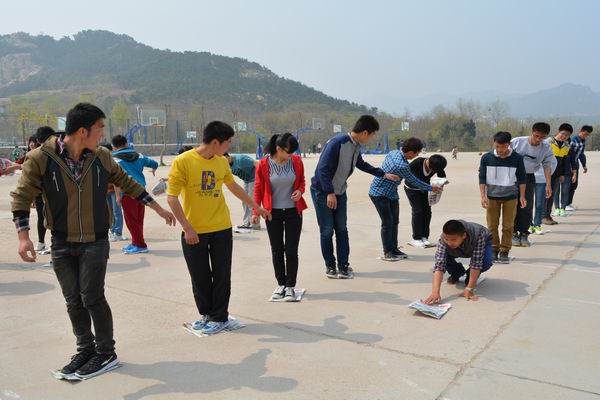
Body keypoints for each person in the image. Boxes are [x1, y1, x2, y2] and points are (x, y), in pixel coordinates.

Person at [11, 103, 175, 379]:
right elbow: (22, 196)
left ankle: (106, 352)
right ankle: (85, 350)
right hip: (62, 241)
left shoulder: (102, 156)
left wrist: (156, 207)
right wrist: (23, 237)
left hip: (95, 240)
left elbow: (128, 183)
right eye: (100, 128)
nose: (103, 134)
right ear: (82, 131)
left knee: (92, 297)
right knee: (73, 300)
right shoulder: (40, 158)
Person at [167, 121, 270, 335]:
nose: (229, 146)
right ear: (216, 142)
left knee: (222, 275)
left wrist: (256, 207)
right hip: (194, 230)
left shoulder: (221, 162)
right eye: (228, 142)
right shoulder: (183, 161)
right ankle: (207, 314)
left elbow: (233, 187)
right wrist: (187, 227)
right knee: (200, 276)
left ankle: (220, 316)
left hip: (221, 227)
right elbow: (172, 198)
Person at [310, 115, 400, 279]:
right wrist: (329, 192)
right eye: (372, 135)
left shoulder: (356, 146)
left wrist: (383, 174)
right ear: (365, 132)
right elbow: (322, 169)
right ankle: (330, 266)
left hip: (340, 191)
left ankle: (343, 266)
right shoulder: (338, 143)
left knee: (342, 229)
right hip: (323, 192)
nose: (372, 138)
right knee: (327, 230)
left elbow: (360, 164)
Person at [253, 133, 307, 301]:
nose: (291, 154)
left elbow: (302, 182)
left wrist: (300, 191)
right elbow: (258, 188)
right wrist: (256, 211)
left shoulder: (296, 161)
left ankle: (290, 286)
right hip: (272, 213)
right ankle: (281, 284)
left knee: (291, 251)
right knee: (277, 250)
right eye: (288, 151)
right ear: (278, 149)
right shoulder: (263, 164)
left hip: (293, 212)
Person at [369, 138, 442, 261]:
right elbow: (414, 181)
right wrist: (431, 188)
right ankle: (388, 252)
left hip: (391, 193)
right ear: (411, 152)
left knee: (395, 221)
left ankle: (394, 248)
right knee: (387, 223)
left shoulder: (393, 152)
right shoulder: (402, 166)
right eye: (417, 153)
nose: (417, 155)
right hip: (379, 193)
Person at [479, 131, 526, 263]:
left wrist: (522, 196)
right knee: (492, 225)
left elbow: (522, 178)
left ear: (509, 144)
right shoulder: (486, 158)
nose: (500, 150)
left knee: (508, 226)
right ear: (494, 143)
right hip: (491, 196)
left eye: (504, 147)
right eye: (497, 146)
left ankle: (505, 251)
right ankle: (494, 249)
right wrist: (483, 196)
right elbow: (482, 178)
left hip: (511, 196)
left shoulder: (517, 158)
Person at [423, 220, 494, 304]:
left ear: (464, 236)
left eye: (453, 239)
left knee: (486, 262)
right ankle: (457, 272)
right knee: (442, 258)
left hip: (480, 244)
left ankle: (469, 274)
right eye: (446, 239)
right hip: (460, 248)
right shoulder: (443, 240)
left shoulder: (479, 235)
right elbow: (439, 266)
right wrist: (435, 292)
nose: (449, 243)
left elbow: (476, 263)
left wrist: (469, 289)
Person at [111, 134, 159, 254]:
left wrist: (118, 196)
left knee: (131, 220)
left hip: (127, 193)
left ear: (114, 146)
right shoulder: (139, 156)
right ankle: (136, 242)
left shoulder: (114, 159)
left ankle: (140, 245)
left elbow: (116, 181)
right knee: (138, 219)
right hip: (141, 192)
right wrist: (154, 169)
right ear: (126, 143)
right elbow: (154, 163)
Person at [510, 123, 554, 247]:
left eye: (542, 137)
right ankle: (513, 233)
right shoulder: (516, 142)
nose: (538, 139)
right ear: (532, 132)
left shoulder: (546, 148)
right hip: (512, 177)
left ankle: (524, 233)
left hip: (528, 177)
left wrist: (548, 185)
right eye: (536, 136)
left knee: (526, 206)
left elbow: (547, 166)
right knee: (513, 205)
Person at [404, 153, 447, 248]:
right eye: (433, 170)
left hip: (426, 189)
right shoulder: (417, 163)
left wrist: (442, 183)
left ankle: (424, 237)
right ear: (429, 163)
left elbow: (442, 176)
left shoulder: (437, 165)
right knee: (418, 211)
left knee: (427, 212)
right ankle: (416, 238)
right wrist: (431, 188)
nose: (433, 171)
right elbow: (414, 181)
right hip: (412, 189)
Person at [224, 152, 260, 230]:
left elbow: (257, 164)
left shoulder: (241, 159)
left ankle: (255, 224)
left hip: (255, 179)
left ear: (227, 156)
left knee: (251, 200)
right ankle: (246, 223)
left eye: (223, 159)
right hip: (246, 180)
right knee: (244, 200)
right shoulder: (225, 165)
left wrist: (262, 179)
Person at [545, 124, 574, 219]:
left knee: (555, 193)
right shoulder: (548, 142)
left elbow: (564, 161)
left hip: (557, 173)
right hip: (546, 172)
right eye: (563, 134)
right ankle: (545, 215)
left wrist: (562, 174)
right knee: (547, 194)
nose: (564, 136)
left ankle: (555, 212)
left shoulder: (566, 146)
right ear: (558, 131)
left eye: (567, 135)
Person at [567, 125, 593, 210]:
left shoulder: (583, 141)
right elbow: (567, 154)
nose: (586, 136)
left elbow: (581, 154)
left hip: (575, 165)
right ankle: (565, 204)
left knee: (574, 185)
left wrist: (584, 165)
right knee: (568, 185)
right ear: (581, 131)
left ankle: (568, 203)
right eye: (585, 134)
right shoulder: (573, 140)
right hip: (568, 166)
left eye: (588, 135)